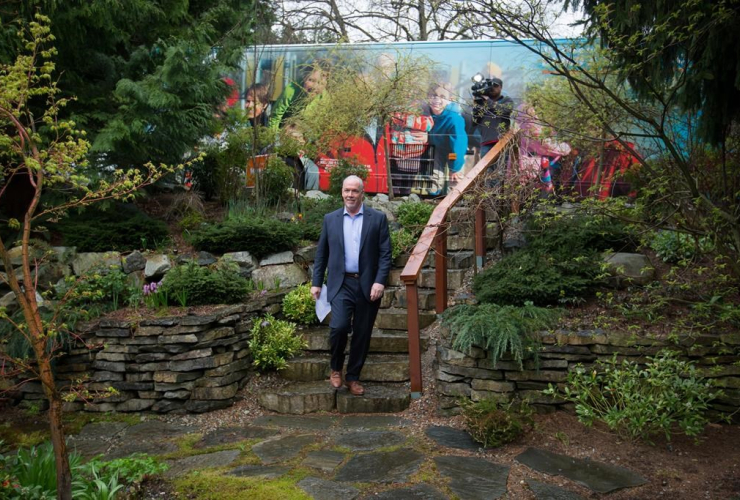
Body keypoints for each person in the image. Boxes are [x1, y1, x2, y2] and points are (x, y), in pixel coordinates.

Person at [311, 175, 392, 396]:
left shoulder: (377, 219)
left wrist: (379, 281)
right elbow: (322, 254)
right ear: (342, 192)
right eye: (347, 190)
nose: (350, 195)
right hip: (341, 283)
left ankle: (353, 377)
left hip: (368, 285)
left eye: (355, 191)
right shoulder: (331, 219)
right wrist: (316, 283)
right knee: (338, 327)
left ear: (362, 193)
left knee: (362, 333)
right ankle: (336, 368)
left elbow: (386, 255)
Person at [426, 82, 468, 195]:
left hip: (453, 150)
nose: (436, 100)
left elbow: (458, 145)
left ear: (450, 99)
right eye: (433, 96)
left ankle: (455, 197)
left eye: (442, 97)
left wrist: (455, 168)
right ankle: (432, 197)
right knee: (434, 175)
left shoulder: (454, 118)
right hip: (438, 148)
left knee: (455, 177)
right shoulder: (428, 114)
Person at [269, 61, 329, 130]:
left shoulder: (325, 98)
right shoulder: (291, 91)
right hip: (285, 130)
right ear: (304, 78)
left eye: (320, 83)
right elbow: (275, 117)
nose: (315, 87)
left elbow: (320, 125)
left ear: (326, 84)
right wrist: (274, 139)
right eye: (311, 80)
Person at [472, 77, 514, 157]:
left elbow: (504, 110)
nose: (492, 88)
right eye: (490, 85)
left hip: (501, 142)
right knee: (487, 169)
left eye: (495, 85)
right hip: (485, 143)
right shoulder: (483, 102)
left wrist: (488, 101)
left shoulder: (507, 100)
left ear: (500, 87)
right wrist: (477, 104)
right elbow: (475, 122)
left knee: (502, 168)